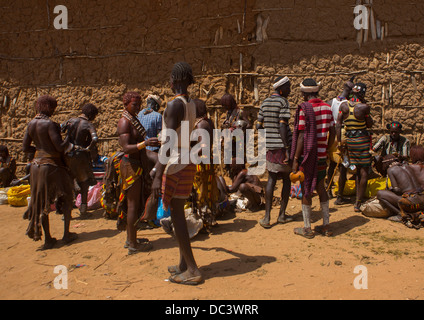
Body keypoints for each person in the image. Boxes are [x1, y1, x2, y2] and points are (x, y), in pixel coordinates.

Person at [151, 62, 203, 285]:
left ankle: (192, 269)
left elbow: (169, 142)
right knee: (179, 210)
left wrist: (157, 173)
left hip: (174, 163)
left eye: (171, 79)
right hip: (187, 161)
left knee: (177, 215)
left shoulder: (174, 105)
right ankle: (183, 264)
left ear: (174, 80)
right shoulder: (191, 104)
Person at [22, 95, 77, 250]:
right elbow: (60, 147)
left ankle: (48, 239)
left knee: (41, 202)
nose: (54, 110)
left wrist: (39, 151)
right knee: (67, 196)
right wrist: (69, 136)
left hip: (35, 166)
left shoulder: (31, 124)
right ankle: (66, 234)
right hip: (52, 166)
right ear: (47, 107)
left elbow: (25, 148)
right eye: (53, 107)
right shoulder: (49, 124)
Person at [291, 79, 335, 238]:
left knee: (306, 190)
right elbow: (333, 132)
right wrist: (328, 149)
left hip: (307, 157)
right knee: (321, 188)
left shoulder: (304, 109)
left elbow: (302, 136)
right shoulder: (327, 108)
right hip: (322, 156)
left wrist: (296, 158)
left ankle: (307, 228)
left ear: (304, 94)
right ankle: (326, 226)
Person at [117, 92, 159, 255]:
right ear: (126, 104)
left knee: (135, 203)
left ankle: (131, 239)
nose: (138, 107)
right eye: (134, 104)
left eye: (139, 104)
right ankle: (133, 244)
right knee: (133, 205)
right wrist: (145, 143)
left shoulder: (133, 120)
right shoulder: (124, 122)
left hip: (137, 164)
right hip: (130, 166)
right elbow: (126, 147)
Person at [256, 76, 293, 228]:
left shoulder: (264, 103)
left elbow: (258, 126)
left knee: (271, 179)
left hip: (270, 147)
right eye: (289, 88)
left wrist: (269, 133)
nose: (290, 91)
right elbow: (283, 127)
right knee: (286, 179)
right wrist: (286, 147)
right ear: (282, 89)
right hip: (281, 147)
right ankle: (282, 215)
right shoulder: (283, 102)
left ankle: (266, 217)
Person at [336, 82, 373, 212]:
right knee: (363, 172)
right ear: (362, 93)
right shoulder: (364, 107)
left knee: (353, 168)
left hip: (350, 142)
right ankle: (358, 202)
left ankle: (346, 196)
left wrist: (339, 142)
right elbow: (369, 124)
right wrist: (367, 112)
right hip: (362, 142)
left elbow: (338, 124)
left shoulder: (343, 105)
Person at [61, 103, 99, 218]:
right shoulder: (88, 125)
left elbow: (60, 128)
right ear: (91, 114)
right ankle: (83, 209)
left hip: (67, 155)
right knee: (84, 183)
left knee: (68, 182)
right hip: (80, 156)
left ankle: (66, 212)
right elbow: (95, 139)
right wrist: (88, 148)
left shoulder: (70, 121)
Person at [191, 98, 221, 230]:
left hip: (200, 162)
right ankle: (210, 219)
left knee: (201, 190)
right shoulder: (208, 122)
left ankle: (204, 221)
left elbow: (203, 145)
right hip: (207, 160)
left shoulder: (200, 124)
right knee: (208, 189)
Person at [376, 146, 424, 222]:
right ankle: (417, 213)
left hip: (411, 203)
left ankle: (401, 215)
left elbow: (397, 190)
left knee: (380, 194)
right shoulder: (407, 167)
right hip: (422, 200)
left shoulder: (391, 170)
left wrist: (390, 189)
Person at [326, 79, 355, 204]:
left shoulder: (331, 102)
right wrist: (340, 141)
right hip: (341, 135)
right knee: (343, 165)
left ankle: (328, 190)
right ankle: (340, 196)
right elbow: (340, 124)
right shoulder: (348, 104)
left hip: (330, 135)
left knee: (332, 163)